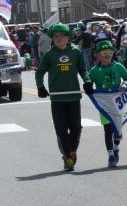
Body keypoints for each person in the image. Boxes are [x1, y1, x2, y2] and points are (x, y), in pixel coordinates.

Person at [35, 23, 91, 171]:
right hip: (57, 99)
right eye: (55, 36)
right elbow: (39, 72)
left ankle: (73, 150)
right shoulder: (49, 54)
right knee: (61, 129)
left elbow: (83, 70)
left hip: (73, 97)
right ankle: (67, 156)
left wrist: (88, 82)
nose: (58, 39)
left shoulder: (76, 52)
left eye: (61, 36)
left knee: (76, 128)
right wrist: (40, 86)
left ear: (67, 37)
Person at [84, 40, 127, 167]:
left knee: (118, 133)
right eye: (103, 53)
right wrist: (88, 85)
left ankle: (116, 148)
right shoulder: (95, 70)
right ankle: (110, 155)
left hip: (118, 104)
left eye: (109, 53)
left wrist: (125, 84)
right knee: (107, 130)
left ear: (113, 53)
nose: (106, 56)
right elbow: (88, 81)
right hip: (104, 105)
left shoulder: (118, 66)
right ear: (98, 55)